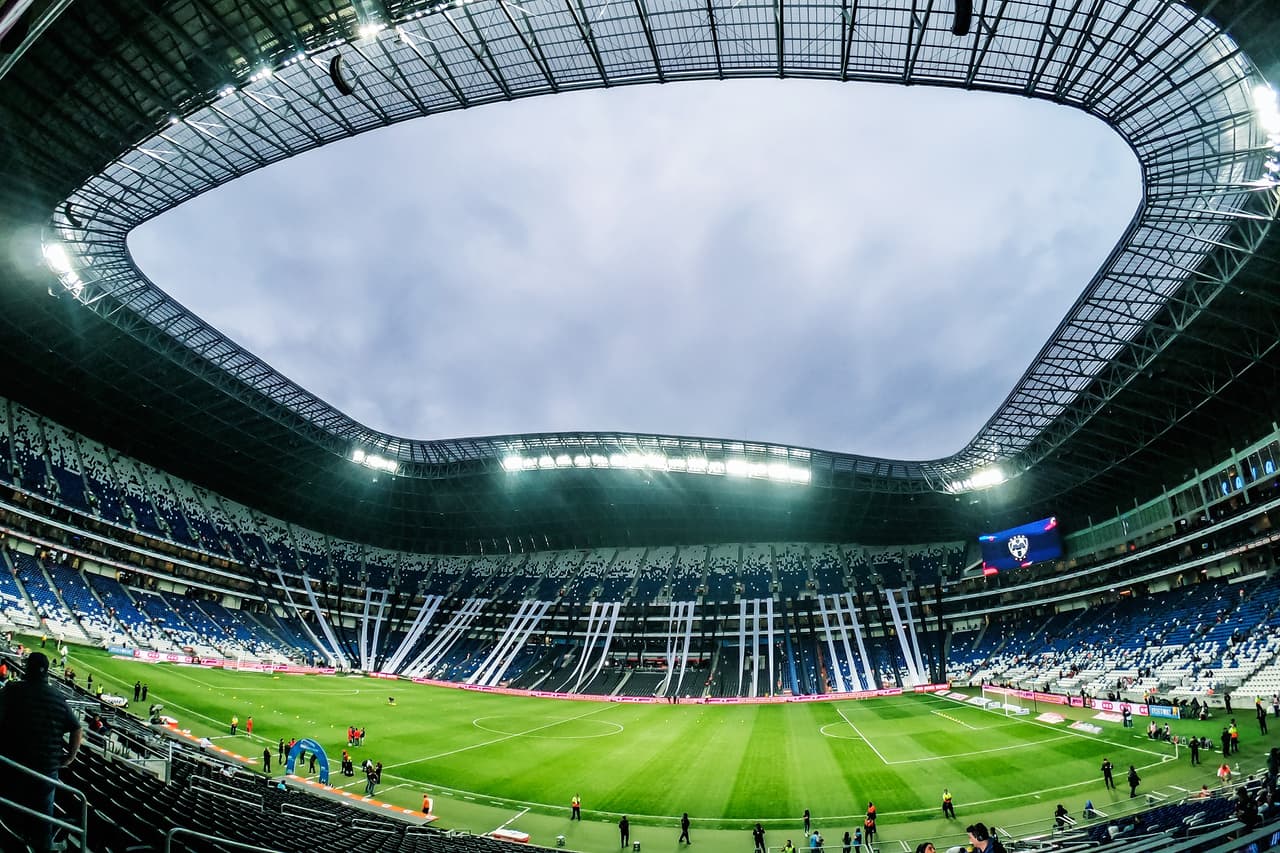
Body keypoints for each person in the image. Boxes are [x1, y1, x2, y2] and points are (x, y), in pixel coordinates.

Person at [0, 651, 83, 853]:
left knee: (10, 808)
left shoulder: (12, 690)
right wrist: (70, 757)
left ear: (27, 668)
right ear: (46, 672)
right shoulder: (58, 697)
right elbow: (76, 728)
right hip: (46, 769)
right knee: (43, 816)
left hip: (13, 763)